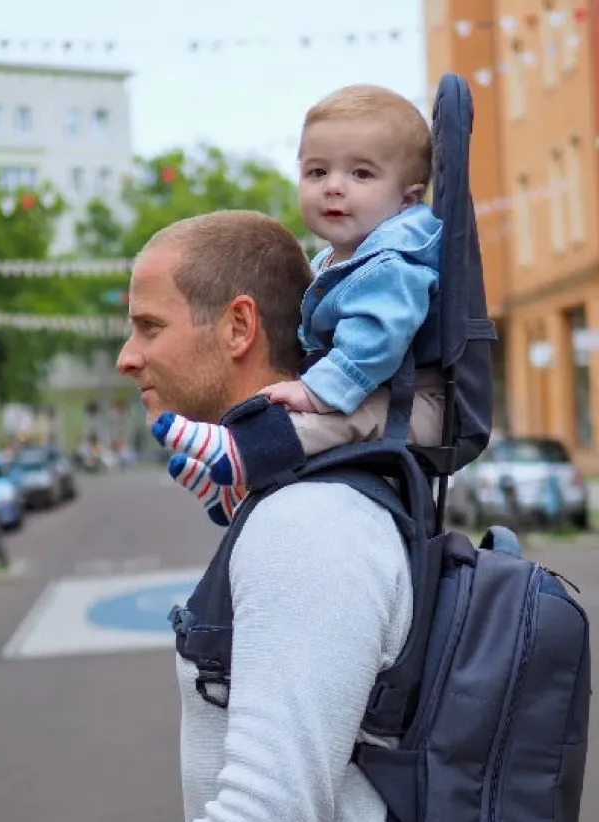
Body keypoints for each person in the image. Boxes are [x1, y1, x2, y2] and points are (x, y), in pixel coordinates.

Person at [0, 209, 487, 822]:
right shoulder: (284, 504)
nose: (127, 356)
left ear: (240, 327)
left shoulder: (312, 526)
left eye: (148, 325)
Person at [149, 84, 445, 525]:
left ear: (407, 199)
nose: (334, 187)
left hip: (418, 404)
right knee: (301, 407)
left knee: (328, 417)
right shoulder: (333, 261)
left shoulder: (395, 264)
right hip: (379, 393)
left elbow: (379, 336)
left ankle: (243, 451)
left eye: (361, 174)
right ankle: (236, 489)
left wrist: (314, 391)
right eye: (317, 172)